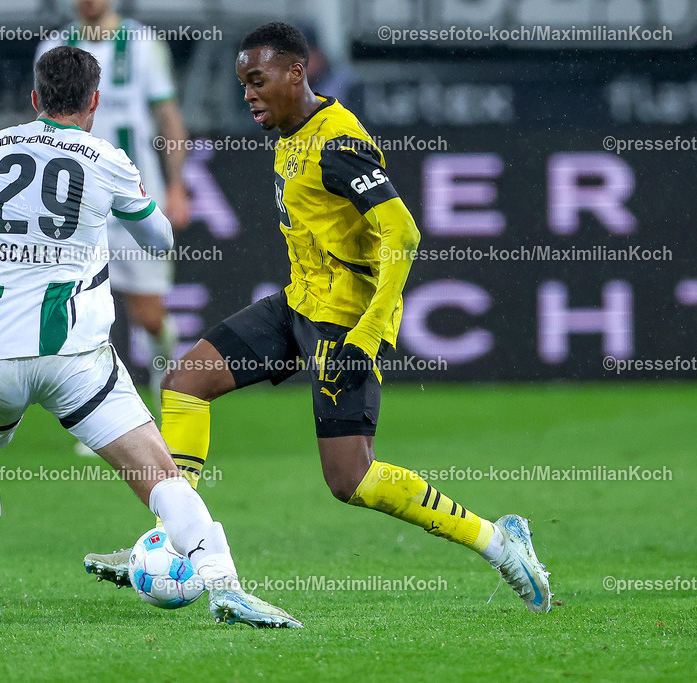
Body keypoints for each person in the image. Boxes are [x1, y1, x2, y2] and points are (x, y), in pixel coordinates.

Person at [84, 23, 553, 614]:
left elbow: (402, 231)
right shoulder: (290, 132)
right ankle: (176, 540)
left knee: (350, 480)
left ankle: (499, 541)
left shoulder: (337, 141)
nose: (248, 95)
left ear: (295, 73)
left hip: (343, 326)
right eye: (242, 84)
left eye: (257, 81)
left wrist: (368, 333)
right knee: (185, 383)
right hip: (300, 304)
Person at [0, 45, 300, 628]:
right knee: (160, 476)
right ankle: (226, 588)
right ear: (95, 102)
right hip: (74, 357)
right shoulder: (106, 158)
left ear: (34, 99)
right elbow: (159, 241)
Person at [35, 0, 190, 411]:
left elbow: (168, 117)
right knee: (81, 314)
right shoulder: (53, 46)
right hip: (74, 205)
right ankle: (95, 412)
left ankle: (164, 377)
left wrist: (176, 187)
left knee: (148, 316)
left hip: (132, 196)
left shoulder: (142, 43)